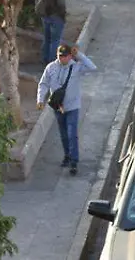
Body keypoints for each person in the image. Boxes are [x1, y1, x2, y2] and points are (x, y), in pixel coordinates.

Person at [36, 44, 98, 176]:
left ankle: (74, 161)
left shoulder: (76, 66)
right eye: (60, 56)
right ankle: (67, 156)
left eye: (65, 56)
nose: (62, 59)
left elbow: (93, 67)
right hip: (58, 106)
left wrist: (79, 55)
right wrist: (40, 99)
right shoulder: (51, 67)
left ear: (70, 56)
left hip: (72, 106)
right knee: (63, 134)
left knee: (72, 134)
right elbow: (43, 84)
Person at [35, 0, 67, 65]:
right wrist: (63, 16)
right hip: (56, 16)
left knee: (47, 38)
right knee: (55, 41)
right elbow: (61, 3)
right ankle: (52, 63)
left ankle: (44, 59)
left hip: (45, 16)